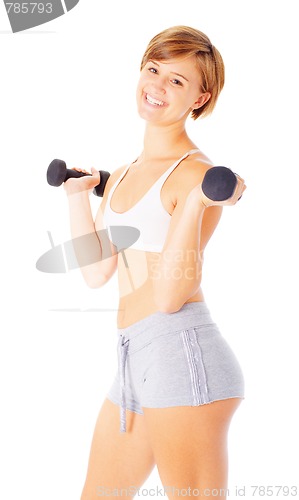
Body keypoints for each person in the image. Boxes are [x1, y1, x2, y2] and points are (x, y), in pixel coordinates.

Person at [64, 25, 246, 500]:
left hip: (182, 356)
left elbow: (169, 297)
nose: (157, 86)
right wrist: (76, 198)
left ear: (200, 98)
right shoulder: (123, 173)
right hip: (132, 357)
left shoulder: (198, 175)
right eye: (153, 70)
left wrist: (195, 205)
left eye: (177, 81)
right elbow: (96, 271)